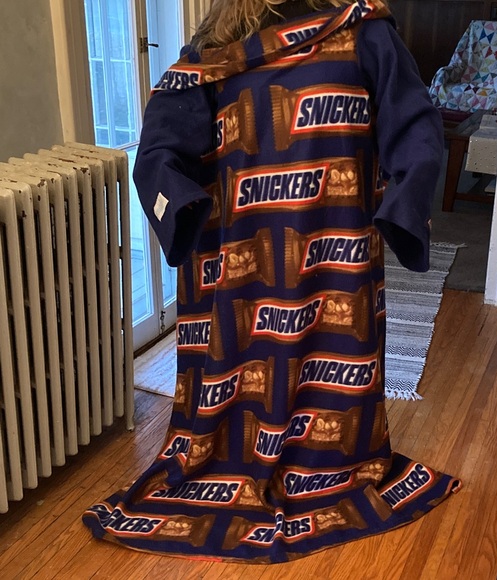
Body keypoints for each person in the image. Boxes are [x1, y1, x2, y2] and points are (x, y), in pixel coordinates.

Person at [82, 0, 460, 563]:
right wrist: (180, 206)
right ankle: (239, 456)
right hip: (241, 266)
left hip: (335, 257)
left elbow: (415, 124)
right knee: (249, 366)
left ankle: (331, 460)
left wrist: (405, 202)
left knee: (334, 359)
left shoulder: (361, 32)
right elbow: (161, 147)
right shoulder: (212, 52)